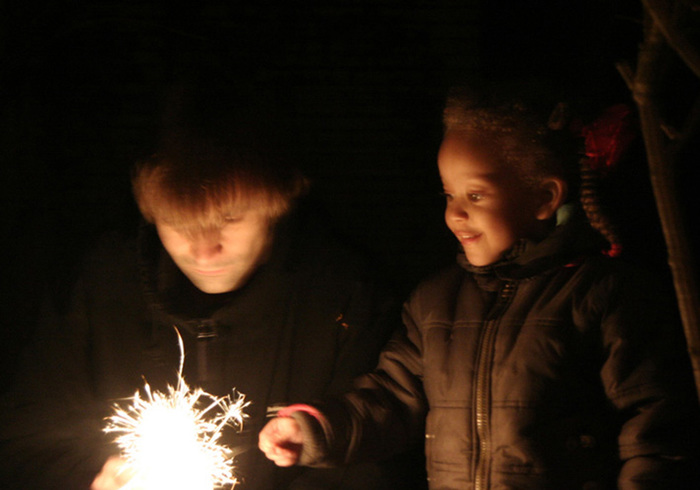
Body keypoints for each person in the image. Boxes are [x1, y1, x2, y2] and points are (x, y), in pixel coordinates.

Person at [258, 84, 700, 488]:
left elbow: (654, 432)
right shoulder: (435, 303)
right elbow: (392, 399)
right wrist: (316, 430)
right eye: (448, 194)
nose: (455, 214)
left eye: (476, 195)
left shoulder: (602, 296)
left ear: (544, 197)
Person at [0, 83, 418, 489]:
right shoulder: (100, 287)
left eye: (229, 219)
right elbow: (26, 444)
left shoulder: (346, 298)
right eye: (178, 223)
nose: (203, 251)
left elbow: (374, 463)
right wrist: (90, 480)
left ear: (280, 201)